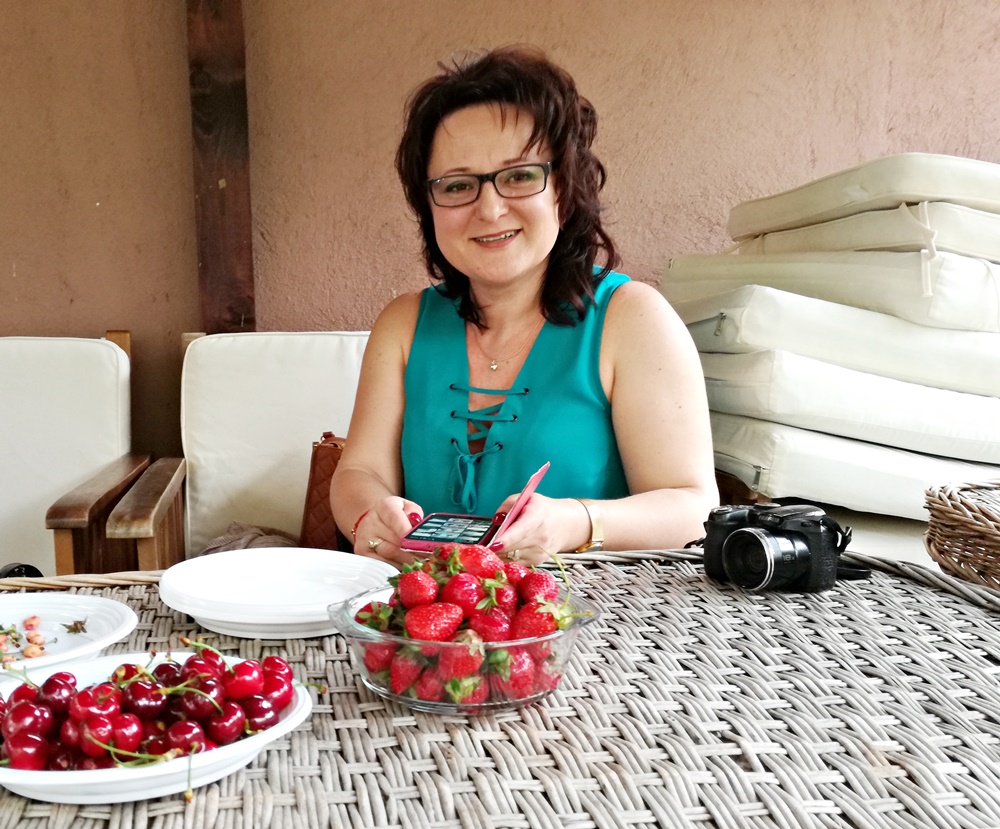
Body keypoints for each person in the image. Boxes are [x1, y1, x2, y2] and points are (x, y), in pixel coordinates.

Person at [331, 45, 718, 568]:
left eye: (519, 176)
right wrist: (369, 517)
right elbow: (359, 473)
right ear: (428, 206)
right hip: (424, 612)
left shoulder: (633, 318)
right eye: (458, 185)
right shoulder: (402, 323)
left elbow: (694, 508)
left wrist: (574, 522)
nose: (490, 209)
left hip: (592, 611)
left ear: (565, 187)